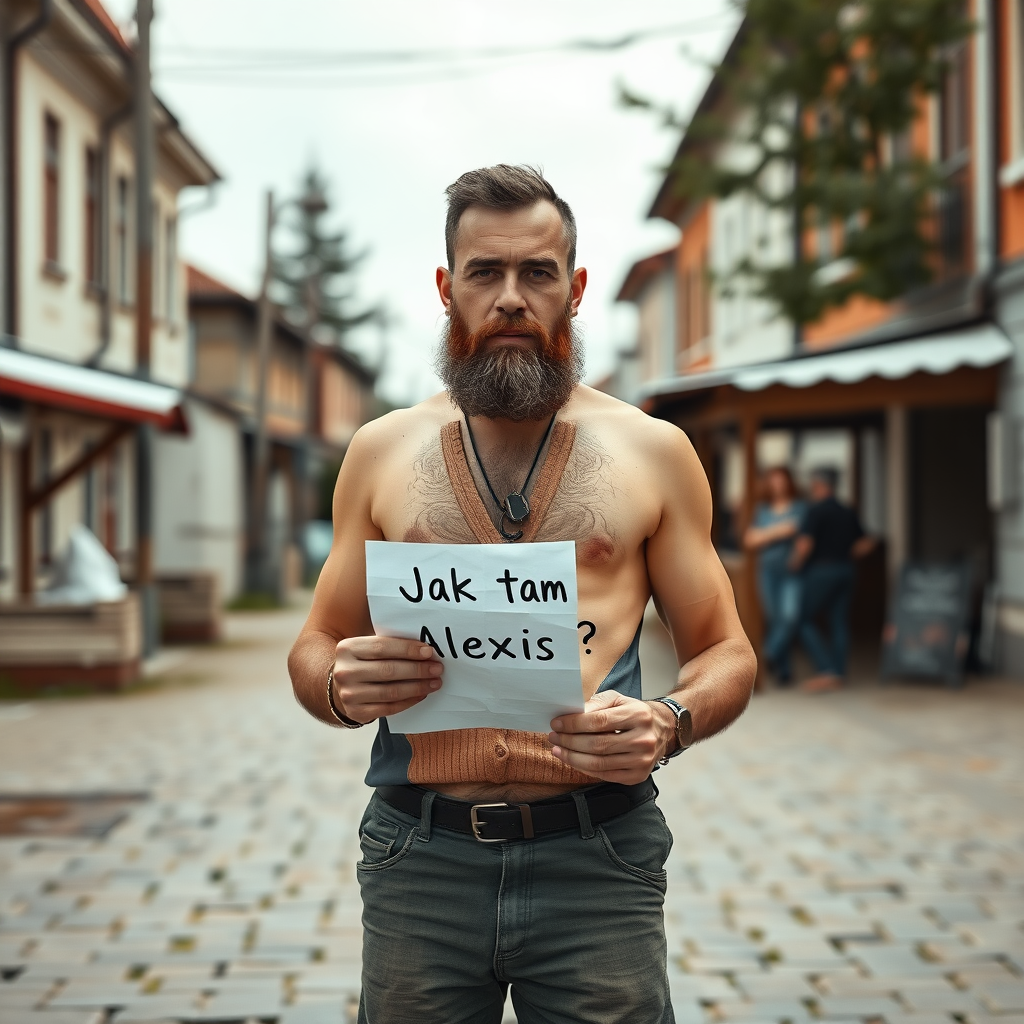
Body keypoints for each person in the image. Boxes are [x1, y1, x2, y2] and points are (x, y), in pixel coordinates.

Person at [288, 164, 757, 1024]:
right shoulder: (381, 451)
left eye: (537, 273)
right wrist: (334, 687)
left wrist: (670, 722)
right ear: (447, 288)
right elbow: (315, 643)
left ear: (574, 290)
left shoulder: (655, 451)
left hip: (599, 854)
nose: (511, 297)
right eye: (485, 273)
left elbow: (726, 650)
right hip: (418, 859)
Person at [789, 467, 876, 693]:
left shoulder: (815, 510)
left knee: (803, 619)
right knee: (839, 621)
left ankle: (826, 669)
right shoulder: (847, 510)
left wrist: (794, 563)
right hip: (846, 570)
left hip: (821, 571)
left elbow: (804, 544)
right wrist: (848, 553)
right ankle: (839, 672)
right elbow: (866, 543)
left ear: (818, 485)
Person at [743, 467, 806, 685]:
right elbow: (750, 540)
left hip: (791, 572)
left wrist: (766, 535)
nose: (778, 485)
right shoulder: (762, 510)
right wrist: (781, 530)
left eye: (782, 481)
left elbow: (800, 533)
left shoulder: (800, 508)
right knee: (775, 619)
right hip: (767, 572)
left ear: (789, 483)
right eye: (774, 481)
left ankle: (768, 653)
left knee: (789, 617)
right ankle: (784, 671)